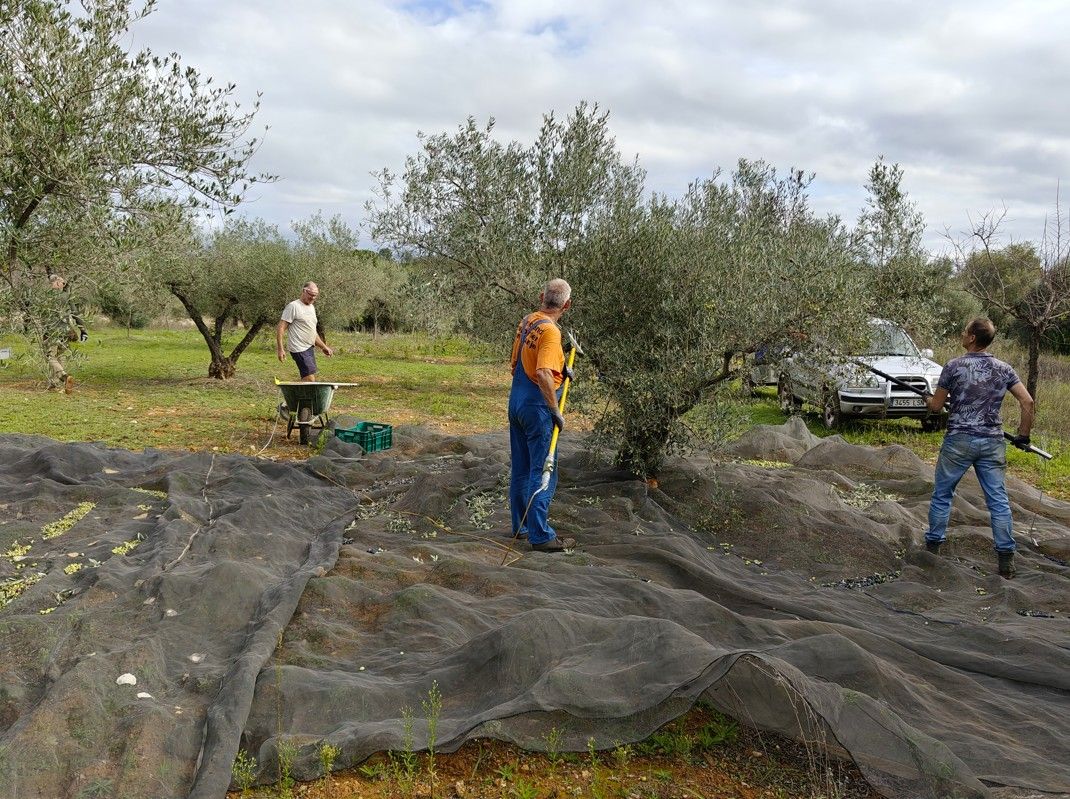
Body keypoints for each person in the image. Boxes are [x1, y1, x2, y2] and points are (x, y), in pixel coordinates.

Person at [923, 318, 1034, 578]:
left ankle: (932, 550)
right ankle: (1006, 558)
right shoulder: (1004, 369)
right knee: (998, 501)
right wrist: (1023, 436)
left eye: (965, 332)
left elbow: (937, 406)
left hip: (959, 441)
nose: (962, 334)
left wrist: (926, 398)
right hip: (992, 442)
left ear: (972, 338)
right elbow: (1027, 401)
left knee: (942, 495)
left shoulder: (954, 366)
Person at [508, 278, 575, 552]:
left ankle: (521, 526)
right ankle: (541, 536)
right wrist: (555, 411)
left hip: (517, 402)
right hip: (537, 409)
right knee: (544, 470)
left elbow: (525, 361)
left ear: (541, 297)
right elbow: (543, 373)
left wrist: (563, 367)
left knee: (522, 468)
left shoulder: (528, 321)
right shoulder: (550, 332)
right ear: (567, 305)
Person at [277, 282, 333, 382]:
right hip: (298, 348)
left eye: (315, 296)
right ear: (304, 291)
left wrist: (323, 347)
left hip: (309, 348)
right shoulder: (293, 306)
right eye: (311, 295)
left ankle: (296, 397)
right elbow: (281, 328)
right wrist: (280, 349)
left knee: (308, 379)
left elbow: (312, 332)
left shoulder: (311, 308)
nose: (313, 298)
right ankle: (297, 396)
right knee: (310, 379)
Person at [45, 273, 88, 393]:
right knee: (61, 355)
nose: (64, 285)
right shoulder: (67, 296)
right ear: (57, 283)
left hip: (52, 330)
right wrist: (83, 330)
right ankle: (54, 383)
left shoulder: (46, 297)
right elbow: (75, 314)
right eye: (62, 283)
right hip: (65, 330)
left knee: (50, 356)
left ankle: (64, 376)